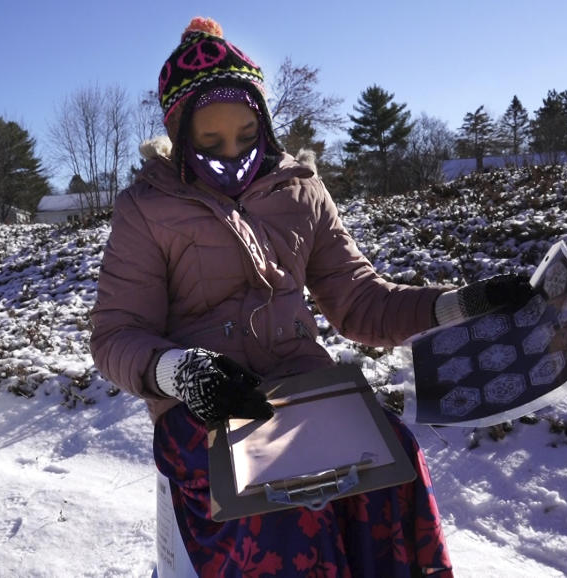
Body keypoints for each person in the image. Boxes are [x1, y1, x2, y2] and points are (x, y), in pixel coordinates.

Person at [90, 17, 533, 577]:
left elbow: (362, 302)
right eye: (209, 140)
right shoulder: (146, 208)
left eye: (247, 135)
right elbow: (116, 334)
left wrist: (458, 305)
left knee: (391, 464)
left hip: (307, 392)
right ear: (181, 135)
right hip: (208, 409)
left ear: (265, 123)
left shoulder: (304, 191)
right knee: (285, 513)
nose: (232, 152)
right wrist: (181, 372)